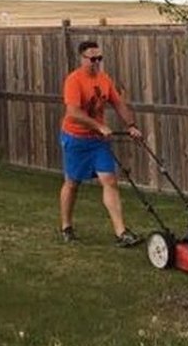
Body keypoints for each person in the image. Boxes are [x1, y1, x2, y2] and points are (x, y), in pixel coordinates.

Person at [59, 40, 143, 247]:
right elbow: (73, 113)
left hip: (97, 142)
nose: (97, 62)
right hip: (75, 138)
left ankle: (121, 232)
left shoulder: (104, 79)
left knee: (110, 181)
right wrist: (98, 126)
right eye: (92, 59)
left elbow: (118, 103)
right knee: (72, 183)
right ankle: (66, 226)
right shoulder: (74, 80)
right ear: (82, 58)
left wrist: (132, 125)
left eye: (99, 58)